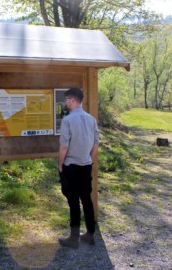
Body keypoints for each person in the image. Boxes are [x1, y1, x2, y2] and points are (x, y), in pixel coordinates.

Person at [58, 87, 99, 249]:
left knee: (74, 201)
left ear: (72, 100)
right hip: (86, 164)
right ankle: (89, 234)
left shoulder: (67, 120)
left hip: (71, 166)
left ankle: (73, 239)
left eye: (67, 99)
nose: (65, 102)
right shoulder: (91, 119)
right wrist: (89, 157)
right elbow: (96, 143)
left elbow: (63, 147)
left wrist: (60, 163)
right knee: (87, 199)